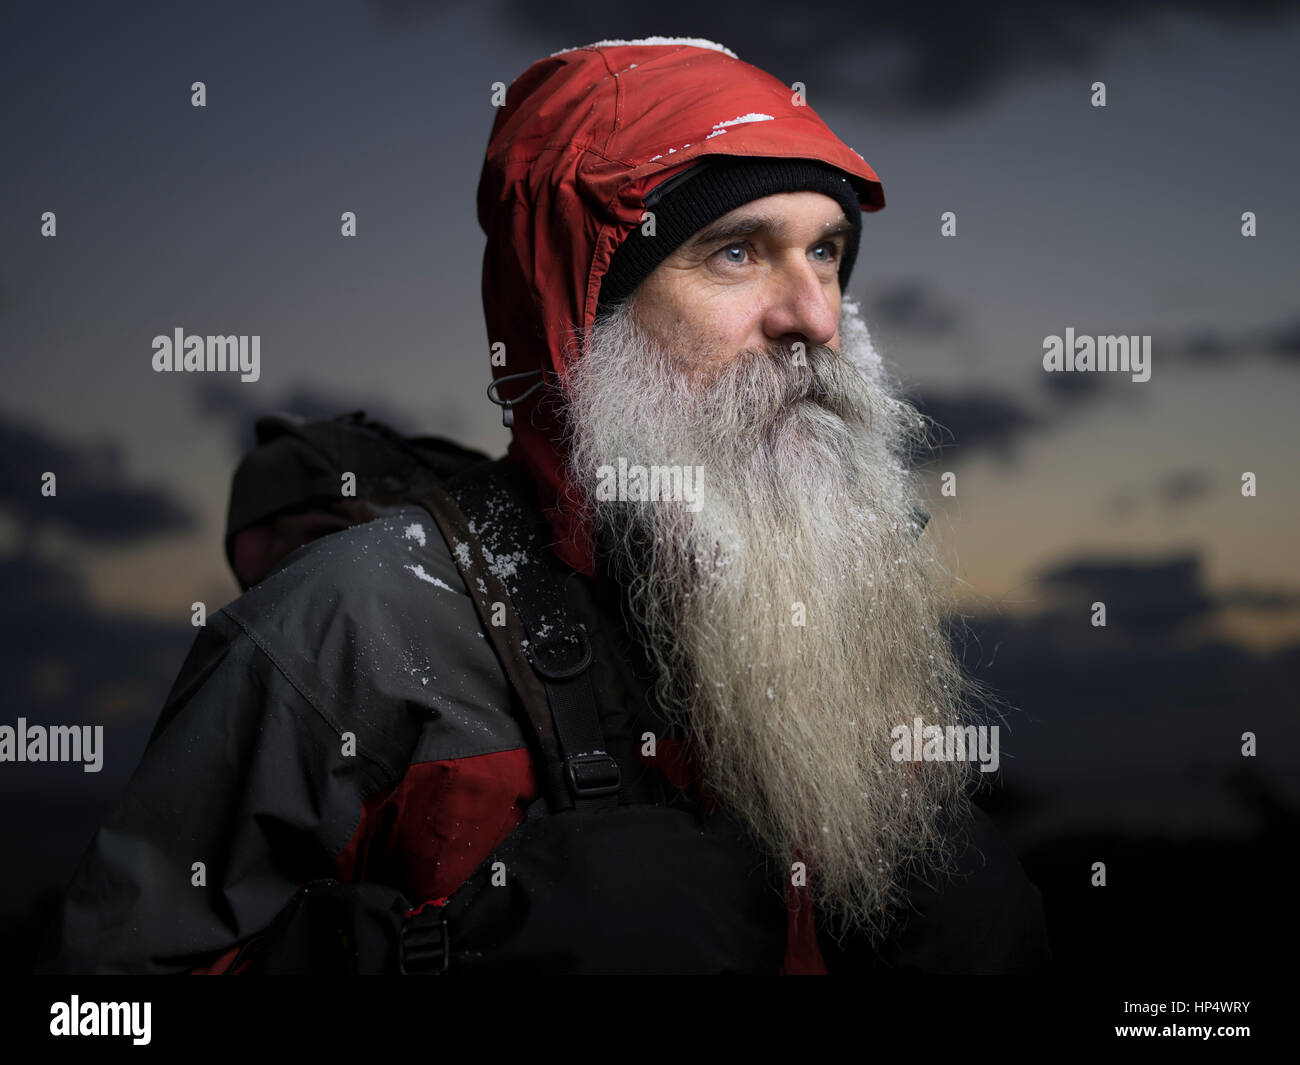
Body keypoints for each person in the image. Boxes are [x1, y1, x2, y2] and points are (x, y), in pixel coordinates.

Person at [33, 37, 1050, 975]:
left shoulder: (828, 593)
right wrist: (442, 959)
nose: (815, 318)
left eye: (824, 251)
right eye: (737, 252)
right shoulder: (349, 628)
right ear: (580, 312)